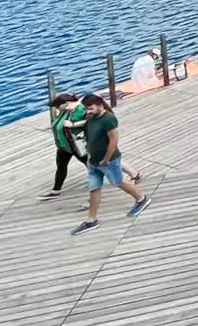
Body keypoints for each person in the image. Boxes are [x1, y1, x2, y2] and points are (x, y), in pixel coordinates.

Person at [73, 94, 148, 233]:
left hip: (109, 160)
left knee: (119, 182)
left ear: (100, 105)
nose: (87, 111)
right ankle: (91, 220)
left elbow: (113, 140)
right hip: (94, 161)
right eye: (86, 108)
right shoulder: (91, 118)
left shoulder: (109, 119)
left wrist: (107, 159)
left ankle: (141, 198)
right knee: (94, 188)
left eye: (90, 108)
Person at [41, 92, 87, 199]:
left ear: (66, 103)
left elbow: (89, 120)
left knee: (90, 164)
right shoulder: (64, 111)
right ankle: (56, 190)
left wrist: (74, 125)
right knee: (61, 167)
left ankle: (109, 179)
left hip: (76, 145)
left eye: (58, 106)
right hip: (63, 146)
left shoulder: (79, 109)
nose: (57, 108)